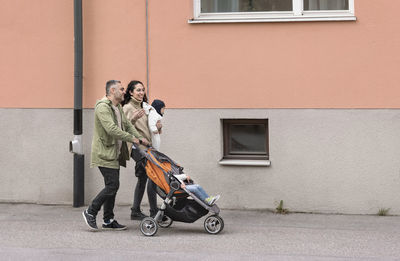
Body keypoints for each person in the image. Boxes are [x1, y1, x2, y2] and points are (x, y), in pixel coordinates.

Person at [82, 80, 149, 231]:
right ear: (112, 91)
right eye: (121, 89)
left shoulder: (117, 106)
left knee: (112, 186)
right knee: (113, 185)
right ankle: (90, 211)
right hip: (104, 153)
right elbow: (111, 129)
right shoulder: (102, 107)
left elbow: (127, 124)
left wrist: (140, 138)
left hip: (114, 153)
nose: (124, 91)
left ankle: (108, 220)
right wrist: (134, 139)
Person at [122, 80, 160, 220]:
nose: (141, 93)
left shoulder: (145, 107)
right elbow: (124, 129)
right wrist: (133, 118)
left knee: (143, 178)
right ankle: (154, 212)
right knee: (153, 176)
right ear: (130, 92)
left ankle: (135, 210)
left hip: (147, 147)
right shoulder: (127, 107)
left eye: (142, 90)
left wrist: (158, 127)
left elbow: (149, 128)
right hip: (136, 147)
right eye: (138, 90)